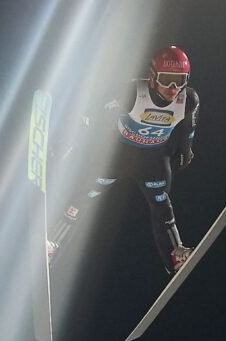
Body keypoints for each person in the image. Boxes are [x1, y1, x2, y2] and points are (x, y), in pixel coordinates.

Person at [48, 45, 199, 274]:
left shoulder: (188, 100)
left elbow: (189, 127)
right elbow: (89, 113)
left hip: (152, 161)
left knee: (161, 204)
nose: (173, 88)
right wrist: (68, 144)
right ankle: (53, 245)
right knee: (85, 196)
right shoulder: (132, 92)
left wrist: (186, 151)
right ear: (152, 75)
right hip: (118, 157)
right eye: (167, 79)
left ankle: (174, 255)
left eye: (179, 80)